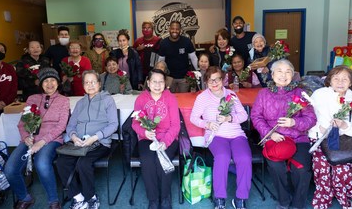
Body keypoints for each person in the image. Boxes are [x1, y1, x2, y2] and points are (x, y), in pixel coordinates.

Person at [251, 59, 316, 209]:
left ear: (293, 75)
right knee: (276, 166)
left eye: (288, 72)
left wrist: (294, 123)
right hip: (274, 138)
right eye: (279, 71)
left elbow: (311, 119)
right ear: (272, 74)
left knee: (301, 169)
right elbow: (256, 116)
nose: (283, 75)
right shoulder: (263, 93)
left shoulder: (301, 94)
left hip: (298, 137)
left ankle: (298, 204)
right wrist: (269, 134)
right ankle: (284, 200)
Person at [4, 68, 69, 209]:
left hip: (51, 139)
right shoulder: (32, 99)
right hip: (30, 139)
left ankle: (53, 201)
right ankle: (25, 197)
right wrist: (26, 137)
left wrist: (42, 141)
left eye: (53, 80)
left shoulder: (63, 100)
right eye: (46, 81)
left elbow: (61, 126)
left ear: (58, 83)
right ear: (40, 83)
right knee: (10, 169)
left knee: (42, 163)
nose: (50, 84)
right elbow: (22, 123)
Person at [308, 66, 352, 209]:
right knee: (321, 168)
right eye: (336, 78)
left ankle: (344, 197)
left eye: (344, 79)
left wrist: (345, 126)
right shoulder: (319, 94)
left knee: (342, 169)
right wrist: (319, 129)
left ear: (351, 82)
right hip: (320, 140)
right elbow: (308, 117)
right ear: (329, 80)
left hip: (345, 141)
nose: (340, 82)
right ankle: (323, 198)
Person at [190, 66, 251, 209]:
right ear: (206, 82)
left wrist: (229, 118)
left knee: (244, 158)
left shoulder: (231, 95)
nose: (215, 83)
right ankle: (220, 198)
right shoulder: (202, 97)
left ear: (223, 79)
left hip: (236, 134)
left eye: (217, 79)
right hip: (216, 135)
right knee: (222, 157)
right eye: (211, 80)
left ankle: (240, 198)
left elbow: (244, 116)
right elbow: (193, 117)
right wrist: (207, 124)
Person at [56, 70, 118, 209]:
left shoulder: (108, 100)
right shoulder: (80, 103)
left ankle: (91, 197)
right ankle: (78, 197)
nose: (90, 85)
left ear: (99, 84)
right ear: (83, 85)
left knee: (83, 163)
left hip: (99, 142)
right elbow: (71, 125)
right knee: (62, 162)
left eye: (93, 82)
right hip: (78, 142)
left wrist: (95, 137)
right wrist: (73, 137)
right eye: (87, 82)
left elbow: (114, 125)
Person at [132, 69, 180, 209]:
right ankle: (153, 199)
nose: (157, 85)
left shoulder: (170, 98)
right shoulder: (141, 99)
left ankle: (165, 197)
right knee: (147, 162)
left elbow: (176, 125)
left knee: (162, 161)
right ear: (148, 82)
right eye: (154, 81)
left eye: (161, 81)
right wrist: (144, 133)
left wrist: (165, 143)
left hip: (167, 138)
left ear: (165, 83)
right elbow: (135, 123)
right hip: (146, 138)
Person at [158, 20, 198, 93]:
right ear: (169, 29)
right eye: (173, 28)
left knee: (184, 99)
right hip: (169, 78)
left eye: (177, 29)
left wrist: (198, 70)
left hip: (184, 78)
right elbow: (161, 61)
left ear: (180, 30)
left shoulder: (187, 41)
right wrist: (160, 74)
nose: (174, 31)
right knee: (171, 99)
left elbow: (193, 58)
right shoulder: (163, 43)